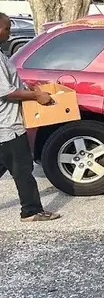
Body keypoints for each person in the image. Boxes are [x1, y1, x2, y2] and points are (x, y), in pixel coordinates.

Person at [0, 13, 61, 222]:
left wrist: (27, 89)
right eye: (6, 28)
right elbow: (6, 92)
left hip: (6, 124)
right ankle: (31, 211)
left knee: (6, 164)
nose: (9, 33)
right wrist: (36, 95)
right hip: (7, 125)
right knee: (23, 169)